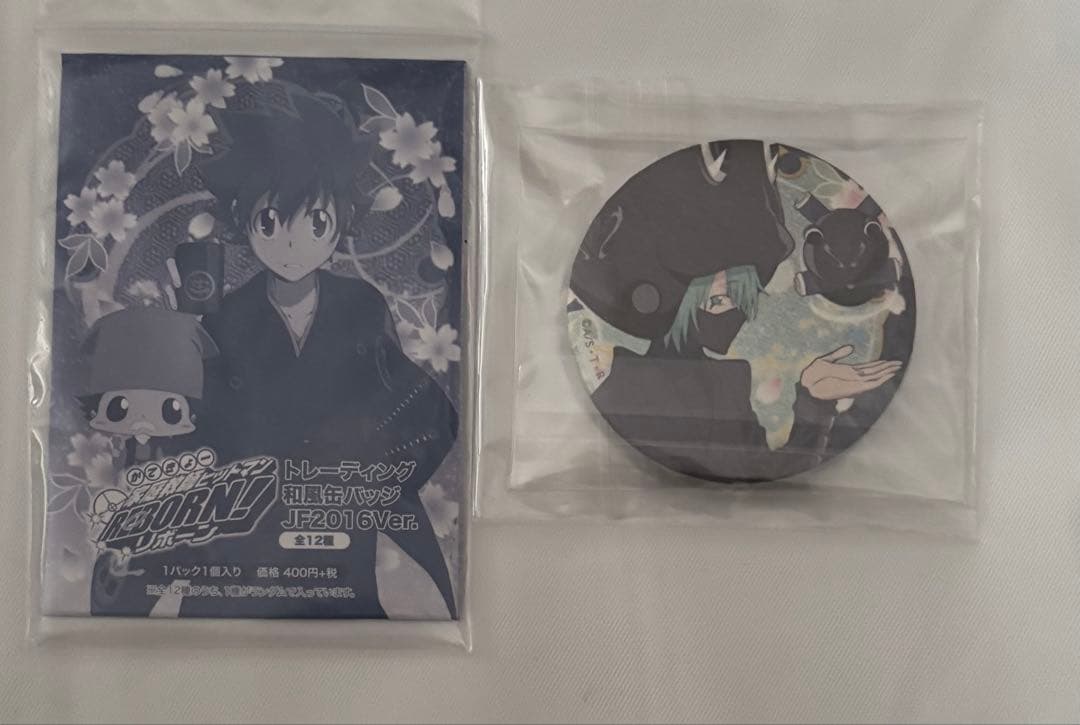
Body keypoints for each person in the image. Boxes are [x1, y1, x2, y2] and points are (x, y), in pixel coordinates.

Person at [92, 84, 458, 618]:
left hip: (330, 526)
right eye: (268, 222)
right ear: (242, 221)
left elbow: (418, 409)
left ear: (342, 222)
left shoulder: (359, 305)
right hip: (239, 537)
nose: (290, 243)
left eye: (316, 223)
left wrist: (366, 477)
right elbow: (183, 429)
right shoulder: (223, 316)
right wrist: (175, 341)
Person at [572, 140, 902, 482]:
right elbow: (756, 475)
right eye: (720, 300)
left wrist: (813, 401)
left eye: (742, 302)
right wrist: (813, 406)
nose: (736, 318)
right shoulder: (632, 384)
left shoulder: (722, 384)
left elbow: (760, 474)